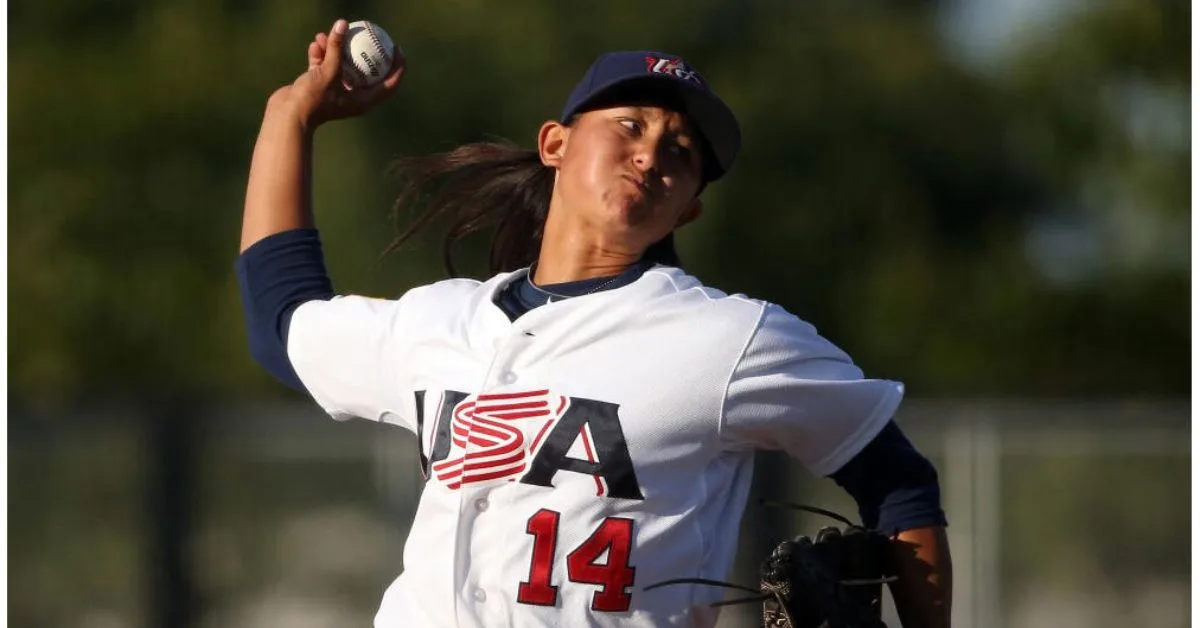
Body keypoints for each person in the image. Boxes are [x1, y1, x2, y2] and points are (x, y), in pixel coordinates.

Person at [237, 18, 952, 628]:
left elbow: (898, 481)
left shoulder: (731, 339)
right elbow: (282, 324)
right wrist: (288, 115)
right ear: (555, 145)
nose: (651, 154)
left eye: (681, 152)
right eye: (630, 126)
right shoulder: (441, 319)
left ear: (690, 208)